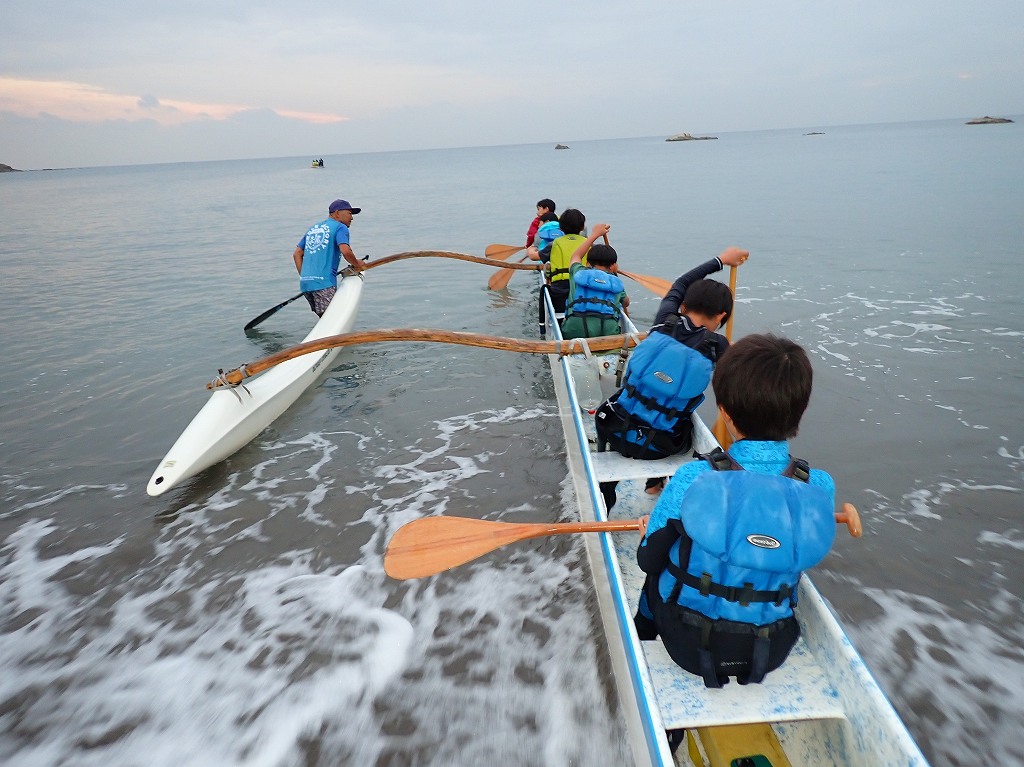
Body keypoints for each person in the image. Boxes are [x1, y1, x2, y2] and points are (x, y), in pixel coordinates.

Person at [633, 333, 837, 690]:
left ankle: (641, 637)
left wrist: (648, 533)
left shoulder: (695, 478)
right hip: (772, 646)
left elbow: (648, 560)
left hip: (687, 644)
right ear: (799, 415)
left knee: (655, 569)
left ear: (725, 414)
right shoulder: (818, 485)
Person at [594, 246, 748, 505]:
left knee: (641, 396)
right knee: (678, 416)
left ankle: (607, 493)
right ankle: (655, 484)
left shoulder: (663, 321)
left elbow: (682, 282)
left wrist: (721, 260)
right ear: (722, 316)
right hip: (659, 448)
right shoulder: (718, 346)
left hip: (614, 429)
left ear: (684, 306)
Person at [293, 198, 364, 316]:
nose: (352, 218)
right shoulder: (340, 227)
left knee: (325, 319)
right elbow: (346, 251)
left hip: (306, 284)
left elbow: (297, 254)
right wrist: (357, 264)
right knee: (335, 317)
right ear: (337, 213)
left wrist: (305, 275)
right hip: (324, 284)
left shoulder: (314, 228)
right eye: (349, 213)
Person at [559, 223, 630, 339]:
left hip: (574, 330)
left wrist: (595, 235)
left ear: (588, 263)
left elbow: (576, 255)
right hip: (608, 333)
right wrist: (614, 273)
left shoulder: (578, 272)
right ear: (613, 266)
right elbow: (626, 303)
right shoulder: (615, 282)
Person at [528, 208, 588, 337]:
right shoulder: (587, 244)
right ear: (582, 227)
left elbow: (534, 257)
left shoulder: (555, 243)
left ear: (560, 228)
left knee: (559, 313)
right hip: (582, 288)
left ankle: (558, 329)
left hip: (560, 289)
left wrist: (531, 248)